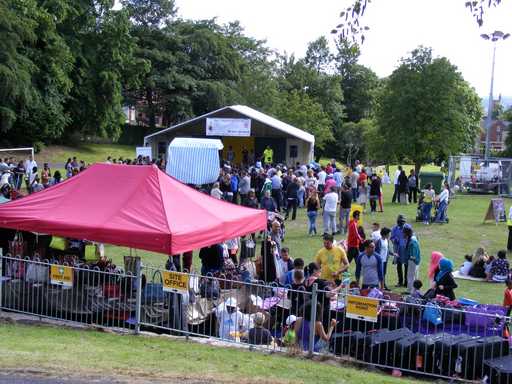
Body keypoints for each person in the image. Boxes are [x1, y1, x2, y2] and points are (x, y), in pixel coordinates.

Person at [390, 214, 412, 288]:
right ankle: (400, 281)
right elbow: (391, 238)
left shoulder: (408, 227)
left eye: (402, 222)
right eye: (400, 222)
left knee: (406, 265)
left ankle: (406, 282)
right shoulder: (394, 229)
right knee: (399, 265)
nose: (401, 223)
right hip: (398, 249)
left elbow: (411, 236)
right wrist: (394, 240)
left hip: (406, 249)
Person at [404, 226, 421, 293]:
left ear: (406, 233)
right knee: (414, 275)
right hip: (416, 261)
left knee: (411, 276)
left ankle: (410, 290)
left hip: (413, 261)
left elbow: (413, 255)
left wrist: (409, 257)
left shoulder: (412, 242)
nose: (403, 234)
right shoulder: (414, 238)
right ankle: (415, 290)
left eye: (404, 233)